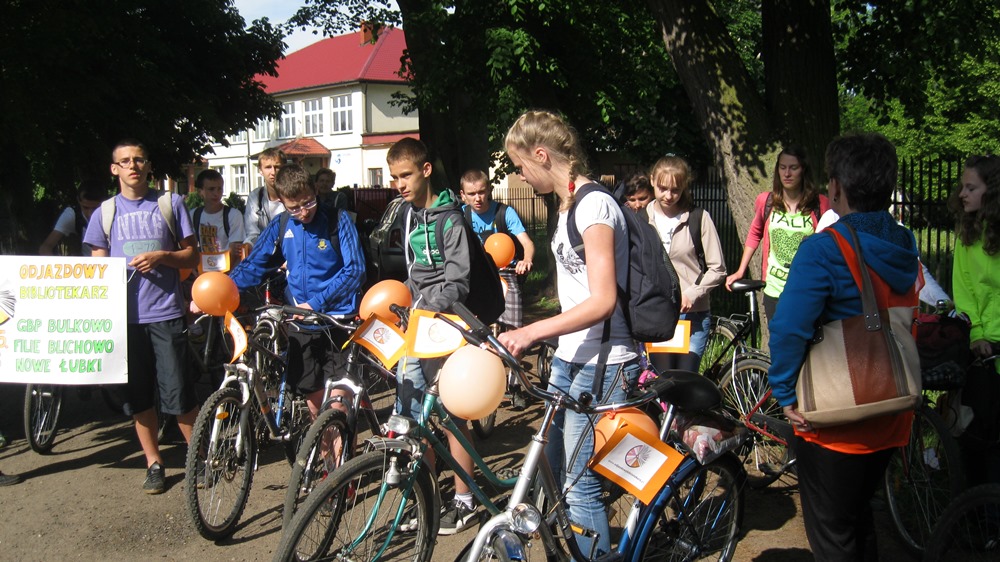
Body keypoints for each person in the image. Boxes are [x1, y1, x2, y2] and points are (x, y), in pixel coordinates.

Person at [768, 133, 919, 560]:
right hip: (891, 409)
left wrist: (782, 393)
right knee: (859, 519)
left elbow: (788, 329)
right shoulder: (904, 244)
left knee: (833, 534)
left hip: (837, 420)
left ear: (835, 187)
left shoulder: (823, 250)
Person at [497, 110, 640, 557]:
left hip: (605, 358)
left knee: (579, 486)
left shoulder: (595, 205)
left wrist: (532, 330)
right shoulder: (566, 206)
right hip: (571, 356)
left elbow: (601, 301)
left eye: (521, 164)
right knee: (550, 470)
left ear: (542, 155)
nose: (520, 172)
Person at [83, 139, 201, 494]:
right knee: (139, 398)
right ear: (114, 169)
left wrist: (163, 256)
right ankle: (154, 464)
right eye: (125, 161)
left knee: (179, 395)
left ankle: (198, 461)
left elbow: (192, 256)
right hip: (125, 321)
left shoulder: (170, 203)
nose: (133, 166)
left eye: (139, 160)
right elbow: (95, 270)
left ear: (148, 166)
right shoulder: (104, 213)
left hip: (165, 314)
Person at [387, 138, 480, 535]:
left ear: (425, 170)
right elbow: (415, 272)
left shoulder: (450, 218)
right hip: (418, 323)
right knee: (414, 416)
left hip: (447, 323)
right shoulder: (407, 214)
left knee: (453, 414)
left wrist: (429, 305)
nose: (399, 184)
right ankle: (427, 498)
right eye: (393, 178)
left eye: (405, 175)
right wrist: (401, 299)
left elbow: (458, 282)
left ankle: (465, 500)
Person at [226, 163, 366, 418]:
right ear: (282, 202)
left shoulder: (338, 220)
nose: (302, 212)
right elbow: (255, 264)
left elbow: (355, 270)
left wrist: (315, 304)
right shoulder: (281, 224)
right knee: (314, 403)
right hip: (300, 325)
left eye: (308, 203)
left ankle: (343, 456)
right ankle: (326, 457)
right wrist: (224, 288)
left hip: (337, 321)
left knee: (336, 405)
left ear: (314, 191)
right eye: (294, 208)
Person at [458, 169, 536, 410]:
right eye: (471, 194)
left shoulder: (505, 213)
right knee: (471, 333)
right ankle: (480, 382)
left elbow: (527, 243)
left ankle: (514, 385)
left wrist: (527, 259)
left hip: (506, 274)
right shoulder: (461, 216)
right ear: (463, 196)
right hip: (478, 279)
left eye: (482, 191)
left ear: (489, 190)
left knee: (513, 331)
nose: (478, 198)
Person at [725, 146, 830, 321]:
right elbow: (754, 233)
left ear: (803, 170)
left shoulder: (820, 205)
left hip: (806, 291)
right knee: (779, 345)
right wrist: (740, 271)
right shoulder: (766, 202)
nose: (787, 173)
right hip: (774, 290)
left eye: (793, 168)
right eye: (782, 167)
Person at [645, 156, 727, 372]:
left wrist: (692, 293)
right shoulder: (642, 217)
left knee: (684, 381)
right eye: (663, 188)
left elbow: (718, 268)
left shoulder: (699, 218)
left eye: (675, 190)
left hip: (692, 317)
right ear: (652, 180)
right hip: (656, 314)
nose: (668, 196)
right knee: (662, 382)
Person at [951, 155, 1000, 486]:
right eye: (962, 187)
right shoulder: (967, 237)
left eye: (971, 187)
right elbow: (964, 291)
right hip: (984, 348)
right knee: (979, 437)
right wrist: (977, 334)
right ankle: (978, 522)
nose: (962, 194)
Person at [190, 168, 245, 267]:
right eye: (211, 189)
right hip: (203, 272)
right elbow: (191, 248)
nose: (216, 193)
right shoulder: (193, 215)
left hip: (228, 274)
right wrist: (194, 268)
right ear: (200, 191)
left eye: (220, 188)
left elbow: (235, 251)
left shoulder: (233, 215)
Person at [38, 181, 107, 256]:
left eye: (95, 209)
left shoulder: (112, 213)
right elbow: (46, 247)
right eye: (85, 207)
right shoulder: (72, 214)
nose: (90, 213)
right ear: (78, 200)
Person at [243, 148, 285, 248]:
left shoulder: (294, 195)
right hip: (264, 252)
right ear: (260, 170)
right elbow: (252, 233)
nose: (273, 172)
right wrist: (248, 246)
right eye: (268, 167)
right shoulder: (255, 197)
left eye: (277, 167)